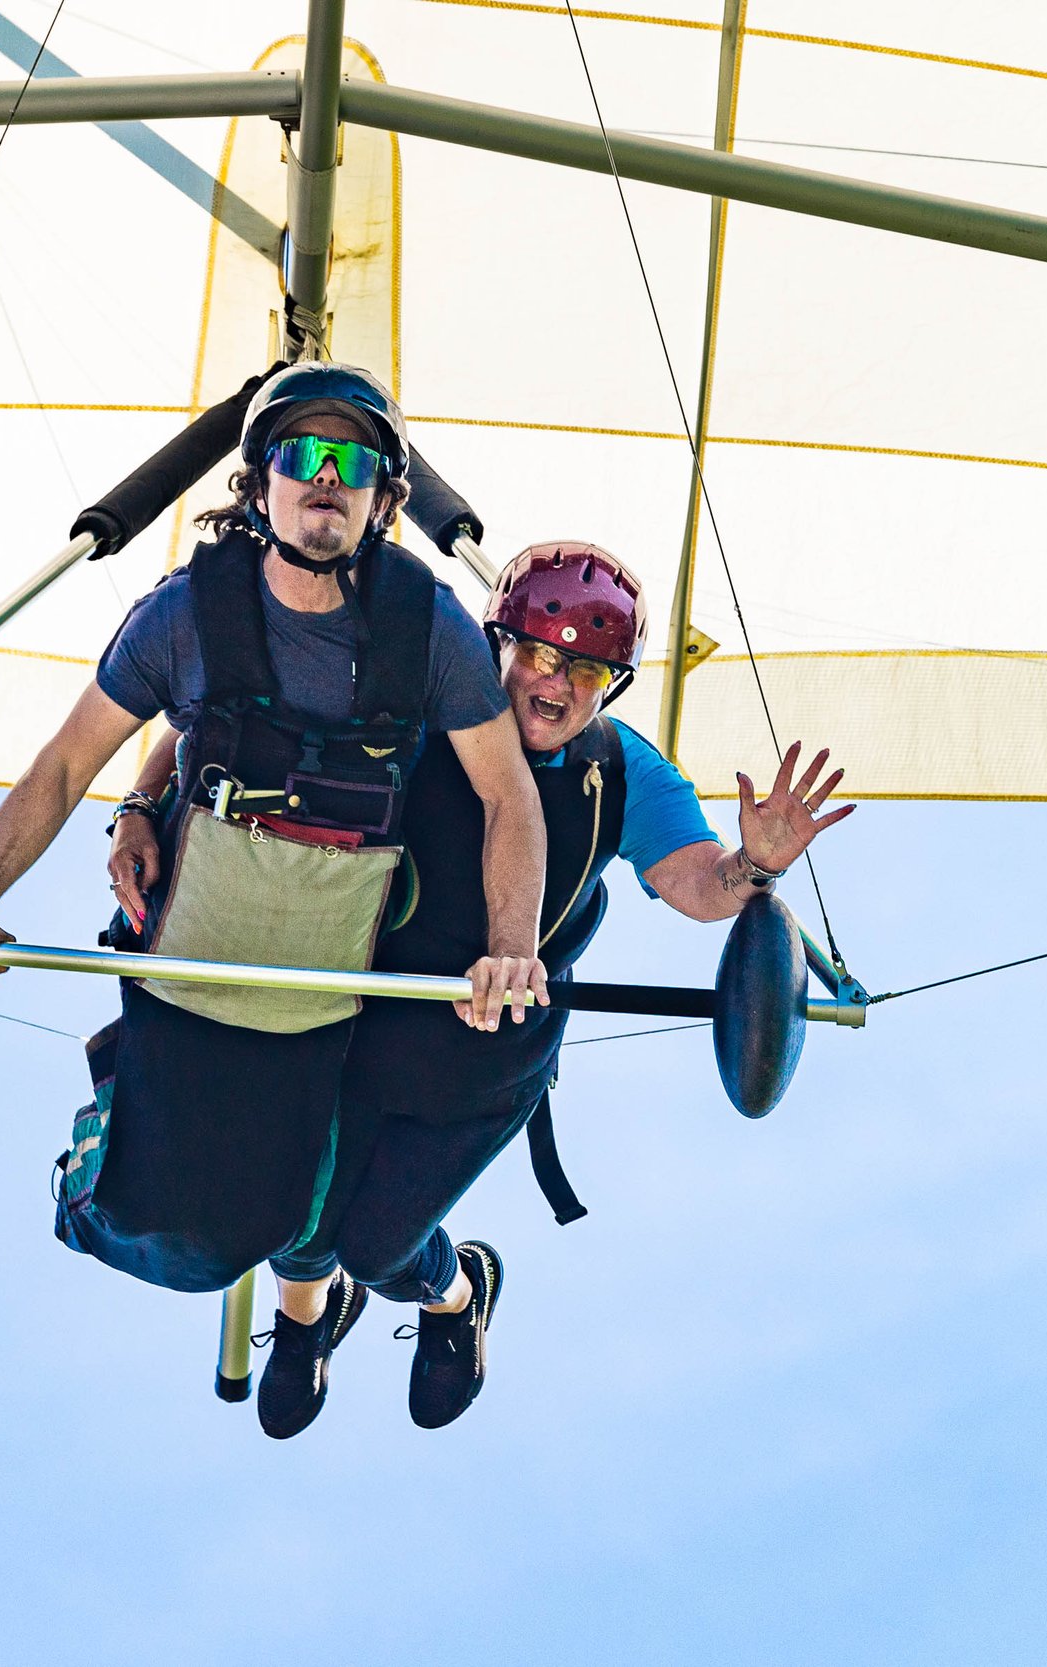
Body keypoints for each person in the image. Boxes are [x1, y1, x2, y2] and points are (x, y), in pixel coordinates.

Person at [0, 362, 548, 1299]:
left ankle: (375, 1302)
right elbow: (62, 764)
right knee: (171, 1231)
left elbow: (510, 796)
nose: (326, 475)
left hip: (327, 989)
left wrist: (511, 949)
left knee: (282, 1216)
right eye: (301, 453)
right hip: (192, 963)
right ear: (260, 481)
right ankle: (113, 1146)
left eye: (353, 458)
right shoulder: (183, 614)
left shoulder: (428, 626)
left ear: (384, 498)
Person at [251, 541, 853, 1437]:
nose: (556, 681)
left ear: (610, 682)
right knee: (291, 1210)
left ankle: (457, 1297)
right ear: (499, 643)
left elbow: (696, 884)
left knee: (378, 1245)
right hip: (365, 1015)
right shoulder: (420, 706)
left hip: (488, 1056)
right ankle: (304, 1329)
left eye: (586, 666)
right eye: (539, 652)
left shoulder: (624, 771)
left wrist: (750, 866)